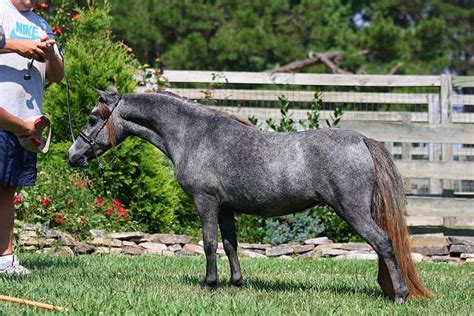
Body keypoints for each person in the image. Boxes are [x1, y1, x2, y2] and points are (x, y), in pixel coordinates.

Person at [0, 0, 64, 275]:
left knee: (7, 189)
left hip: (27, 123)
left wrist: (49, 54)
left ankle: (4, 259)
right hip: (5, 116)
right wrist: (18, 46)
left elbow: (58, 76)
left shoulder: (41, 24)